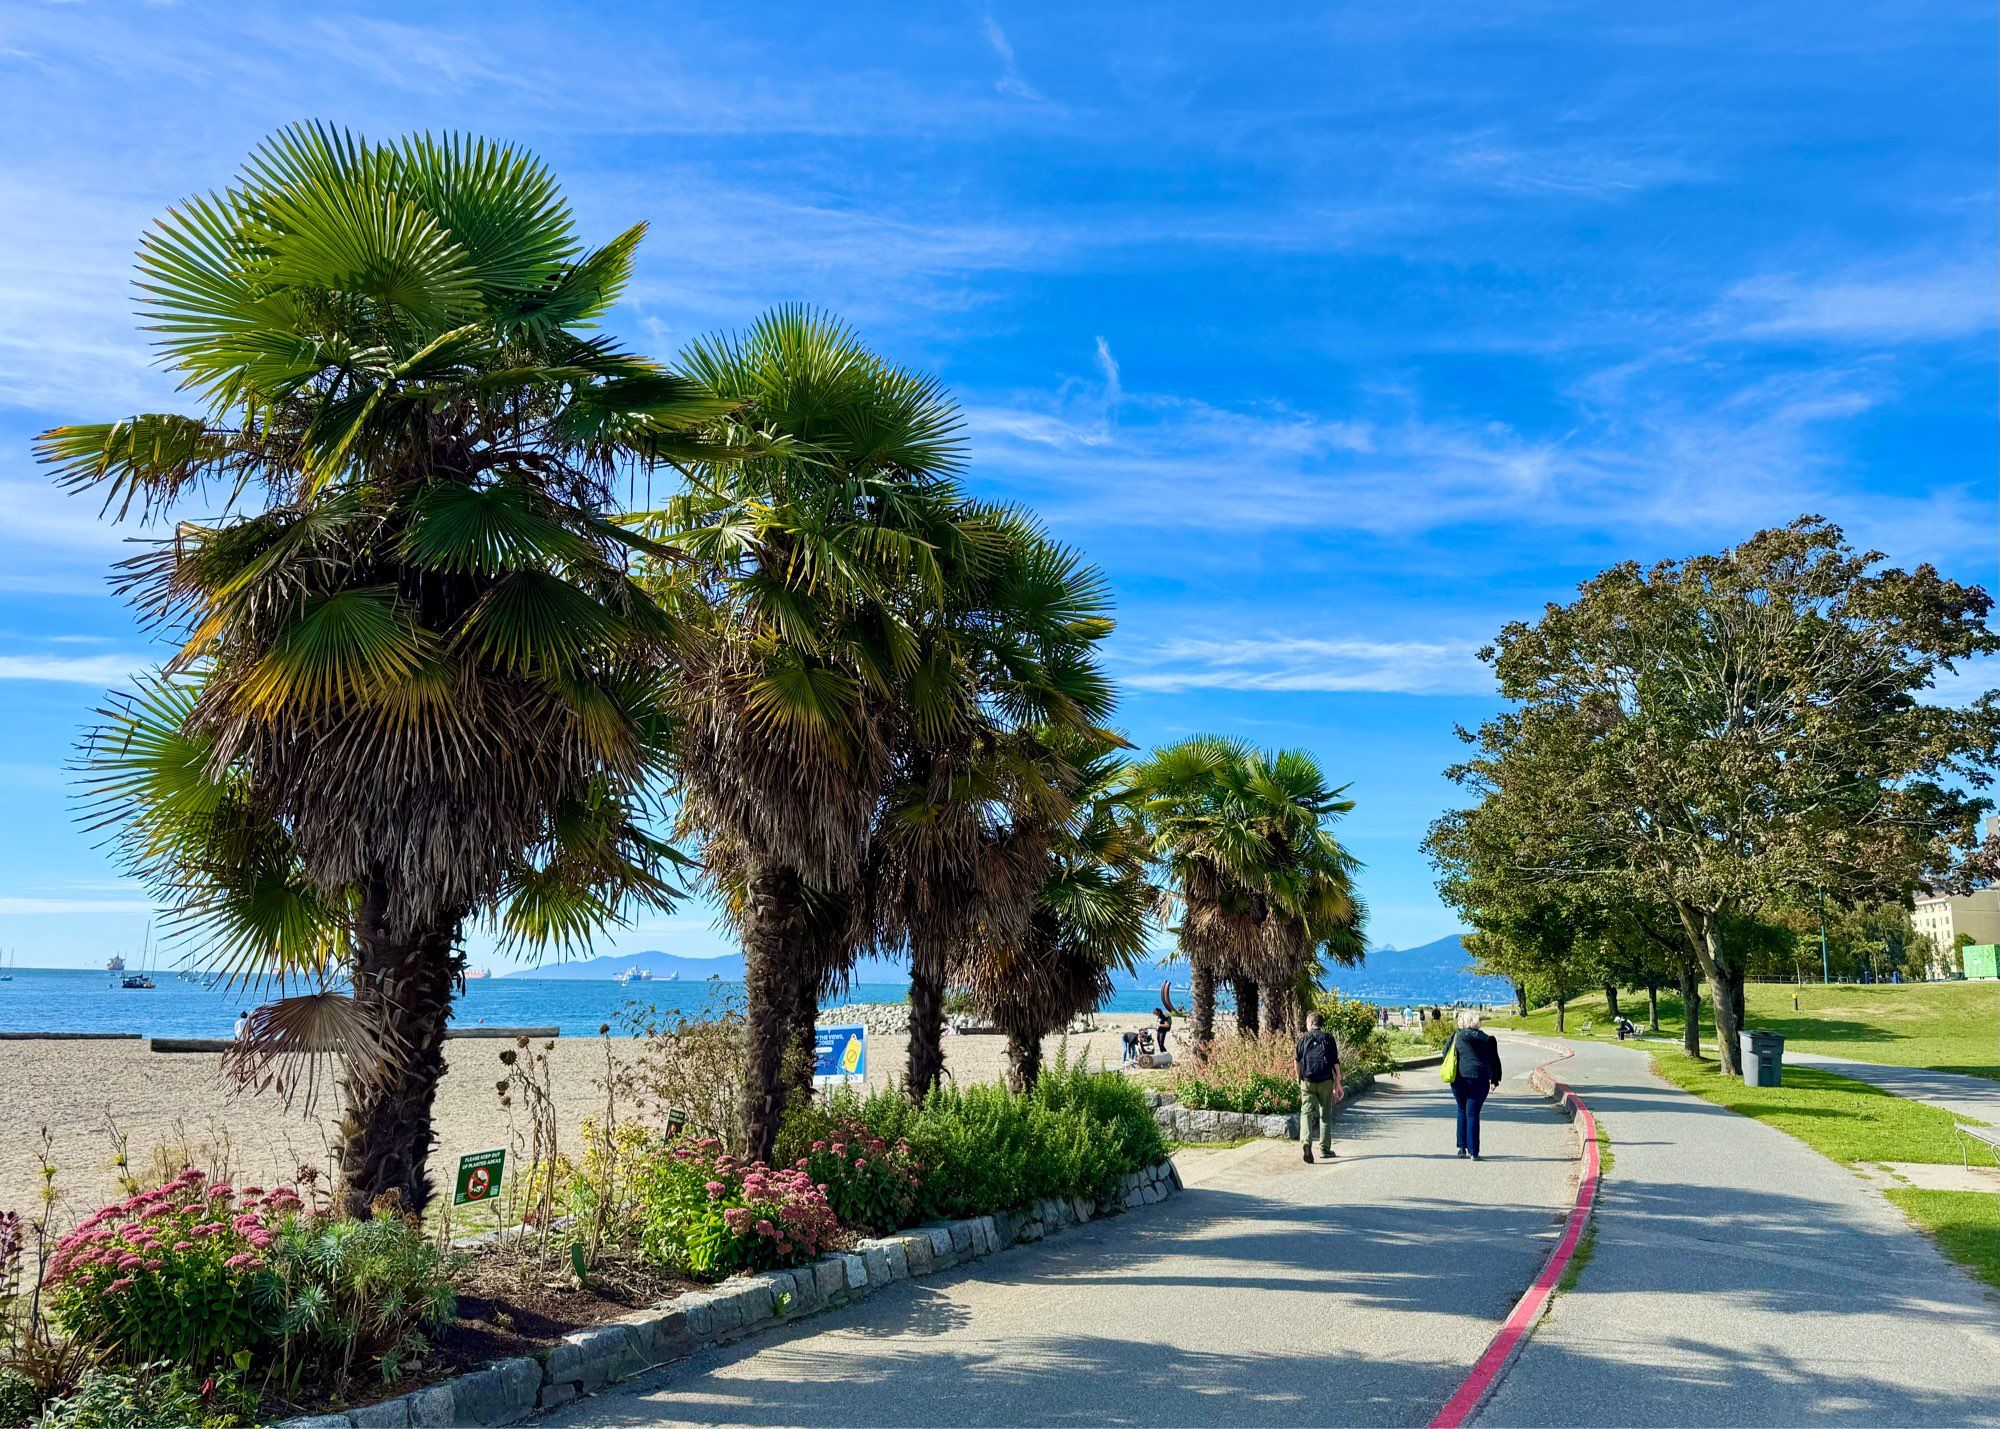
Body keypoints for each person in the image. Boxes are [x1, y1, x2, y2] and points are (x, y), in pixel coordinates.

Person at [1448, 1009, 1503, 1160]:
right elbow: (1494, 1060)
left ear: (1462, 1022)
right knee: (1472, 1113)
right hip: (1479, 1079)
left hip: (1459, 1079)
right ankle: (1474, 1152)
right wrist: (1495, 1079)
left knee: (1461, 1110)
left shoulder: (1456, 1035)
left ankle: (1461, 1148)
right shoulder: (1486, 1039)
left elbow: (1445, 1053)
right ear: (1477, 1022)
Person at [1294, 1012, 1343, 1163]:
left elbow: (1296, 1061)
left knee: (1306, 1112)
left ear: (1310, 1023)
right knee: (1325, 1114)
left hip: (1307, 1081)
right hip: (1325, 1081)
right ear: (1320, 1023)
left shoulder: (1302, 1038)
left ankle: (1306, 1142)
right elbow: (1335, 1062)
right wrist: (1338, 1083)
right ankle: (1324, 1149)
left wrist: (1299, 1079)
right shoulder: (1328, 1038)